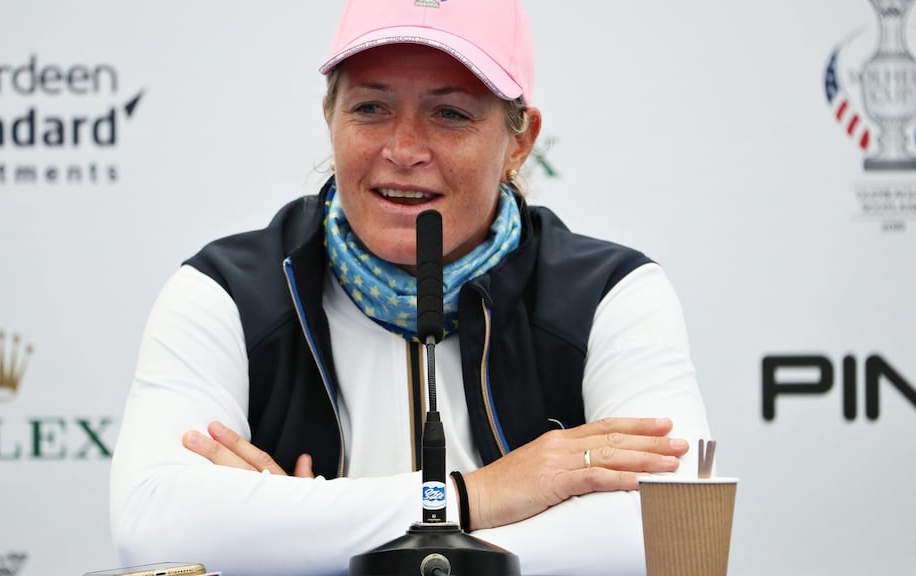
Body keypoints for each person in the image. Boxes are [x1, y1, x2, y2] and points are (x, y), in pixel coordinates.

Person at [109, 0, 711, 574]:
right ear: (330, 117)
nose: (402, 150)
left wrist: (300, 535)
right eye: (370, 108)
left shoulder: (611, 294)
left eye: (449, 113)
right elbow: (153, 529)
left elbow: (674, 532)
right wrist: (478, 496)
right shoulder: (227, 292)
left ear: (520, 140)